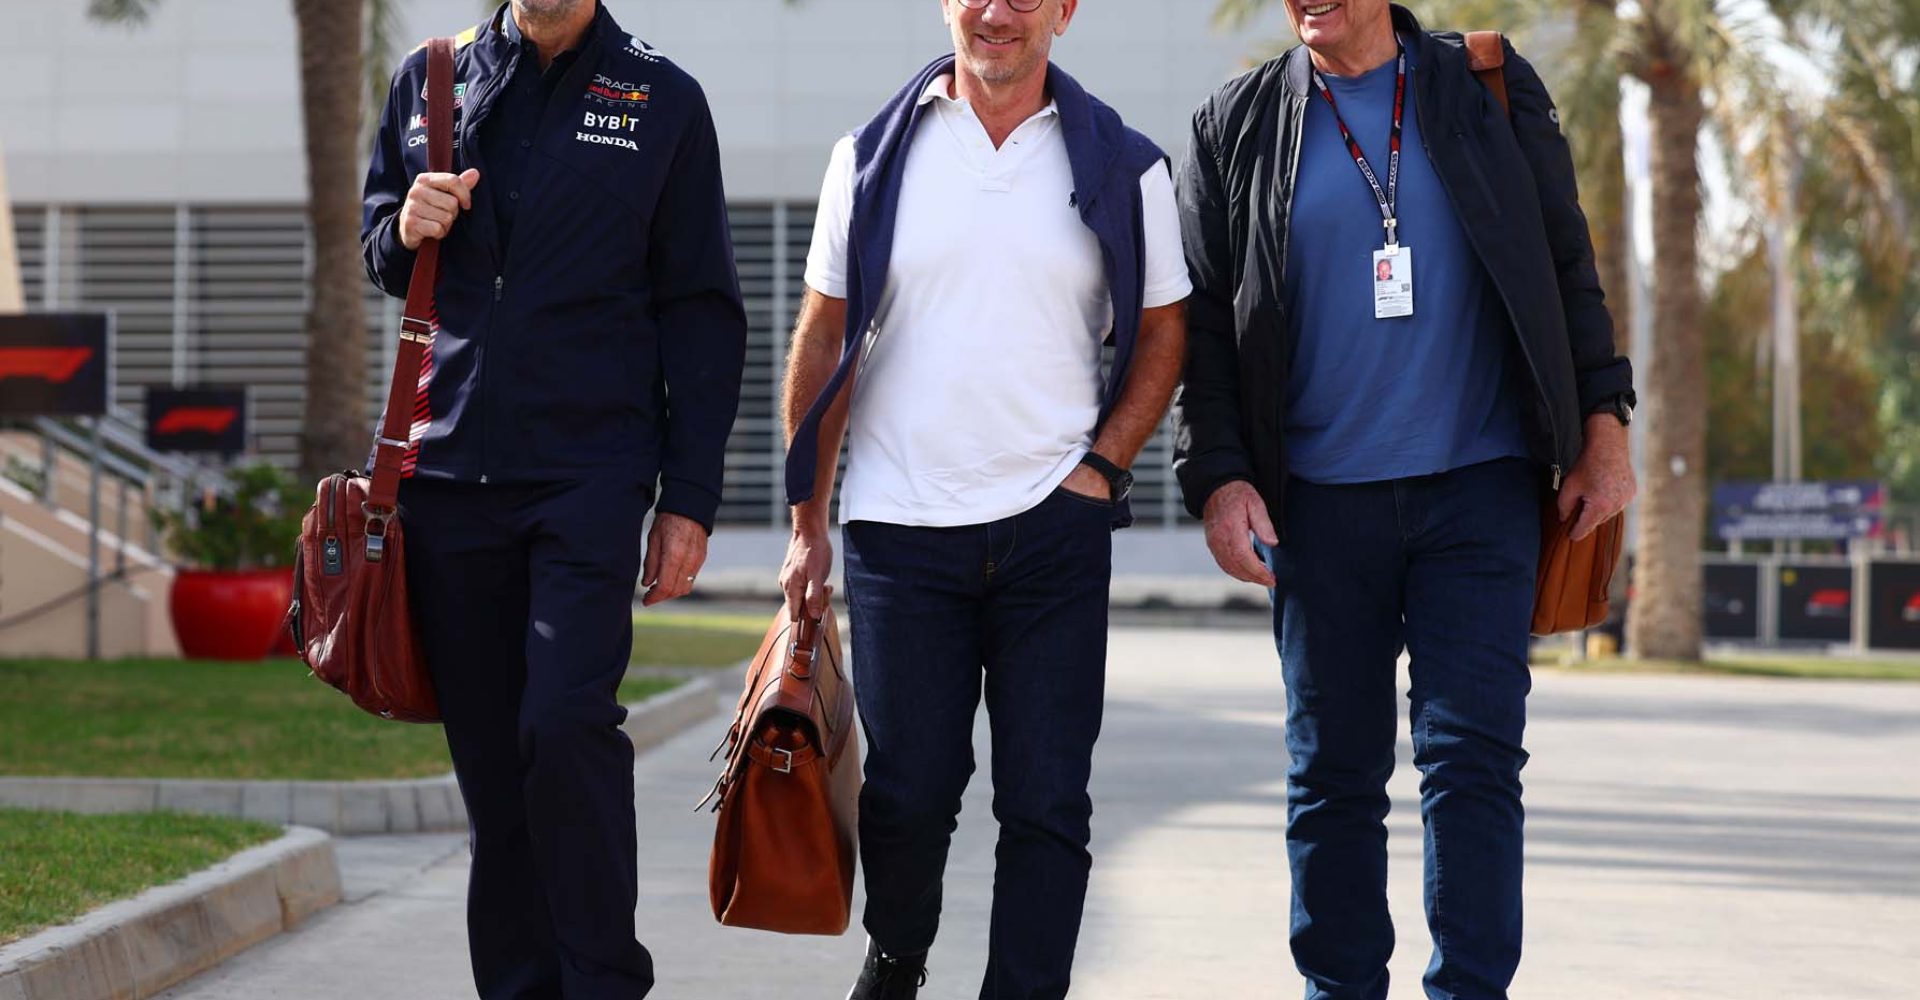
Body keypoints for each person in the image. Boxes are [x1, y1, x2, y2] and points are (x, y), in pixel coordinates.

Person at [1172, 2, 1636, 999]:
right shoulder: (1234, 124)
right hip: (1318, 507)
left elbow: (1567, 264)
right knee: (1331, 776)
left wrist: (1606, 422)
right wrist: (1220, 477)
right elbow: (1205, 329)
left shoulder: (1483, 85)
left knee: (1471, 763)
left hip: (1479, 491)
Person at [778, 1, 1189, 996]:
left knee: (1048, 801)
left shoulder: (1125, 165)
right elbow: (823, 336)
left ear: (1063, 12)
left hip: (1054, 530)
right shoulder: (870, 157)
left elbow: (1167, 335)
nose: (996, 12)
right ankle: (901, 948)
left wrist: (1100, 469)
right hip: (898, 528)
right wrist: (806, 524)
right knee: (909, 792)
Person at [359, 1, 746, 996]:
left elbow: (700, 312)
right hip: (447, 484)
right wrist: (406, 226)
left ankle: (605, 981)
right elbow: (379, 250)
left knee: (567, 722)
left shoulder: (664, 99)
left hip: (590, 475)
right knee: (496, 778)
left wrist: (690, 498)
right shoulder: (428, 78)